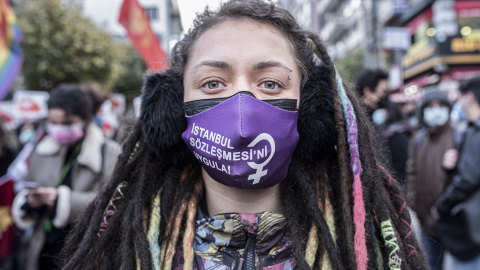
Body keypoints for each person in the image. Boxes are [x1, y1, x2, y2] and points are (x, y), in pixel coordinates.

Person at [60, 1, 429, 269]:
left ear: (313, 109)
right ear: (170, 110)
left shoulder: (374, 243)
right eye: (212, 83)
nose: (242, 103)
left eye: (270, 83)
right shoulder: (119, 250)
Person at [11, 84, 121, 270]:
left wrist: (62, 200)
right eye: (53, 122)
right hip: (42, 250)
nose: (58, 128)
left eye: (67, 122)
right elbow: (27, 184)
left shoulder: (109, 152)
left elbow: (114, 203)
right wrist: (29, 201)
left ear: (85, 119)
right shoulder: (41, 150)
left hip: (85, 252)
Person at [405, 87, 454, 270]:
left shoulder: (459, 135)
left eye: (440, 105)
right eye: (431, 106)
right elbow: (411, 172)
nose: (436, 110)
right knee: (432, 263)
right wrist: (412, 201)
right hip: (425, 218)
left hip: (452, 218)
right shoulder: (418, 139)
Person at [436, 77, 480, 269]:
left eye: (461, 97)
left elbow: (468, 178)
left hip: (471, 229)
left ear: (469, 98)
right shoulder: (470, 130)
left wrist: (441, 206)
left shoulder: (475, 132)